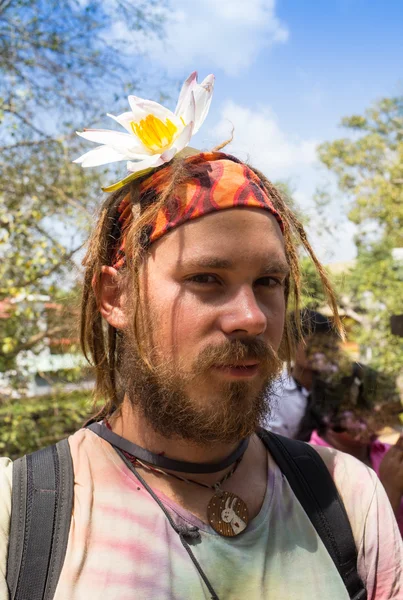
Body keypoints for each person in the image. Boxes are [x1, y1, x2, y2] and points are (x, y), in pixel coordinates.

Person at [0, 72, 402, 600]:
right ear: (115, 298)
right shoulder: (21, 516)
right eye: (205, 279)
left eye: (269, 282)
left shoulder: (347, 497)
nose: (252, 318)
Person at [268, 309, 336, 439]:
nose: (319, 352)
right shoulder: (275, 395)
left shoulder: (337, 390)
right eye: (313, 345)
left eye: (326, 346)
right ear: (292, 345)